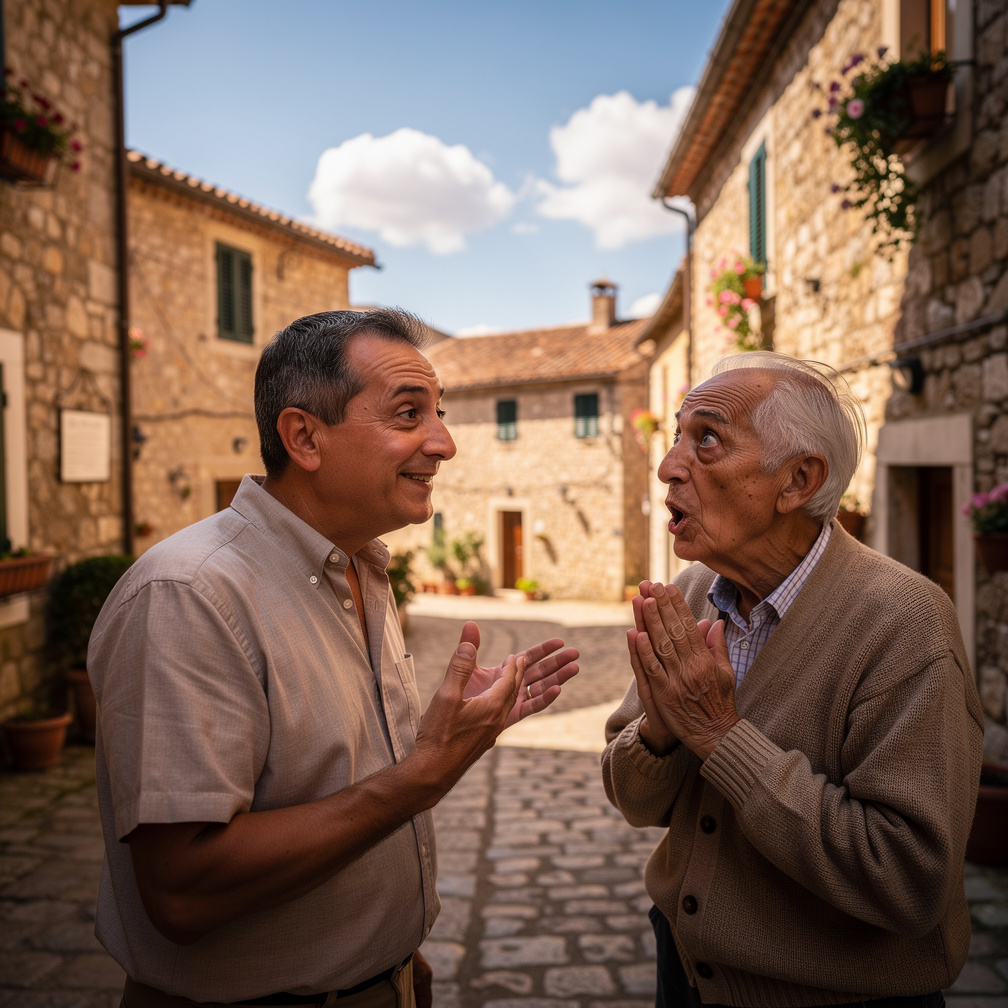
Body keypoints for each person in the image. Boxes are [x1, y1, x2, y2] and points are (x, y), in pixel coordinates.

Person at [89, 309, 579, 1008]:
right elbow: (183, 892)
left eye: (438, 414)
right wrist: (420, 779)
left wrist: (394, 956)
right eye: (408, 414)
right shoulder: (190, 596)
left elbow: (335, 782)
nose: (443, 443)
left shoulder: (360, 570)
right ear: (304, 437)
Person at [601, 351, 983, 1007]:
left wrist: (721, 737)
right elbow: (634, 801)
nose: (667, 465)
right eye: (677, 435)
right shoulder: (692, 594)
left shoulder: (905, 623)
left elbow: (907, 880)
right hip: (686, 972)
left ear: (797, 481)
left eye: (708, 439)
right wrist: (661, 731)